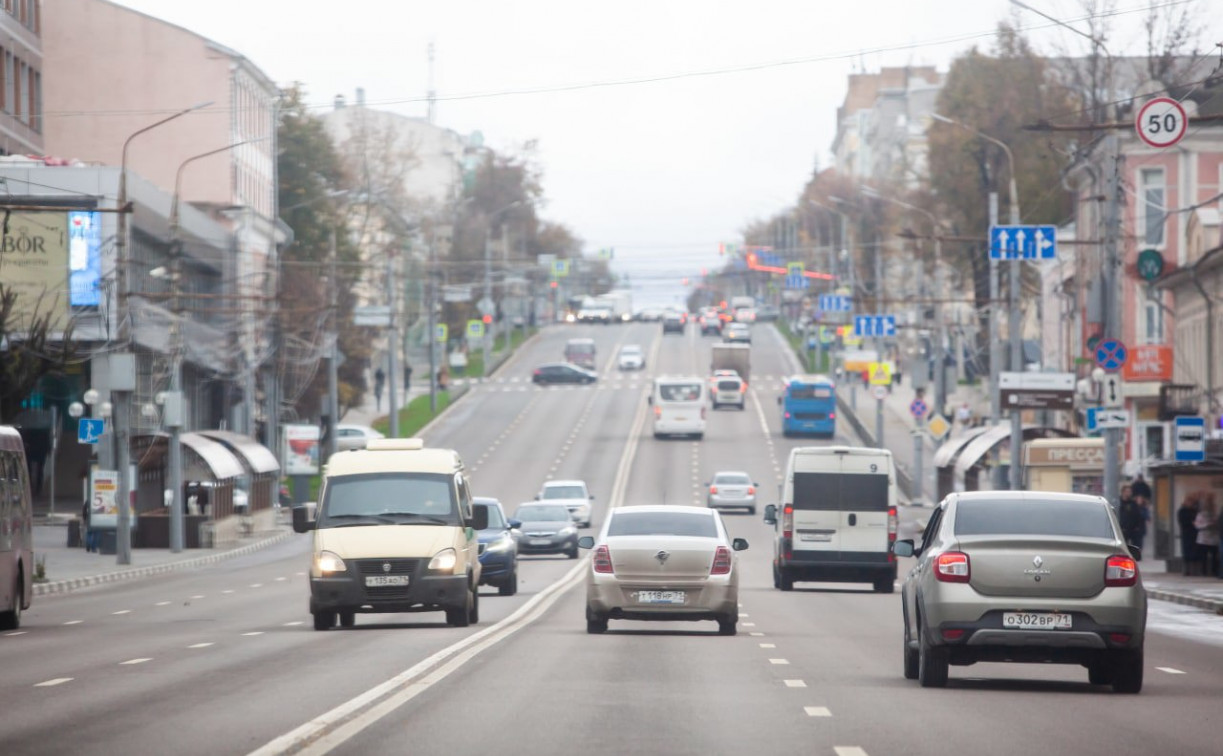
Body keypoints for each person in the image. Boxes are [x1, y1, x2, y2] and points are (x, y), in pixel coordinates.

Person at [1194, 496, 1219, 578]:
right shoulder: (1200, 515)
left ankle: (1214, 570)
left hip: (1213, 538)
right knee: (1203, 556)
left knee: (1214, 556)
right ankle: (1204, 571)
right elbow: (1197, 525)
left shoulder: (1215, 514)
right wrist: (1206, 525)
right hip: (1203, 538)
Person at [1117, 485, 1143, 559]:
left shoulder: (1133, 503)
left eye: (1130, 492)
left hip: (1133, 529)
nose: (1129, 493)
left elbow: (1137, 515)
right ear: (1123, 492)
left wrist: (1137, 526)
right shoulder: (1119, 503)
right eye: (1127, 491)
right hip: (1122, 529)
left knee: (1134, 546)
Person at [1177, 494, 1200, 575]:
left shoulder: (1193, 510)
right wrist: (1191, 523)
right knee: (1187, 553)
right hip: (1186, 534)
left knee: (1194, 553)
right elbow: (1182, 521)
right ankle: (1186, 571)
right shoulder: (1182, 511)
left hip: (1194, 534)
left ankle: (1193, 571)